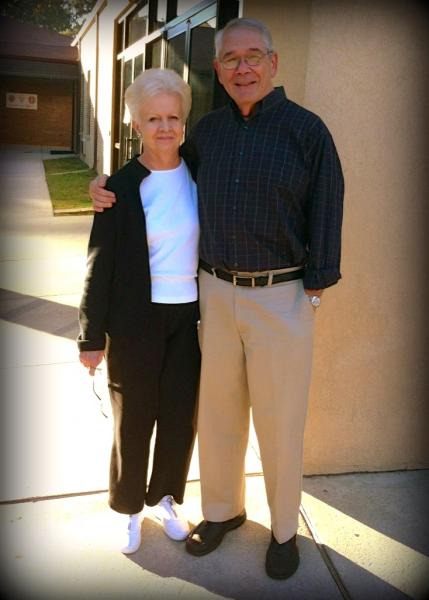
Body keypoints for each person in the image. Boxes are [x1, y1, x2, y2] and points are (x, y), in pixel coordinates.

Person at [89, 17, 343, 579]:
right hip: (214, 293)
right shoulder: (207, 133)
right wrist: (105, 186)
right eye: (231, 58)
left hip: (281, 294)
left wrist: (317, 282)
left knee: (279, 423)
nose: (242, 67)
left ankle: (284, 530)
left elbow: (328, 203)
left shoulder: (307, 131)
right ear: (218, 69)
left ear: (273, 63)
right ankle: (224, 512)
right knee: (218, 415)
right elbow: (162, 173)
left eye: (253, 56)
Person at [78, 68, 201, 555]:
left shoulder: (200, 169)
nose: (165, 127)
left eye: (173, 117)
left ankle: (165, 498)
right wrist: (90, 336)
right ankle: (128, 507)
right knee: (133, 420)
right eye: (153, 119)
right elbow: (99, 264)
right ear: (136, 125)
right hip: (134, 322)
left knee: (178, 418)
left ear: (184, 121)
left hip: (189, 319)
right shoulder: (121, 186)